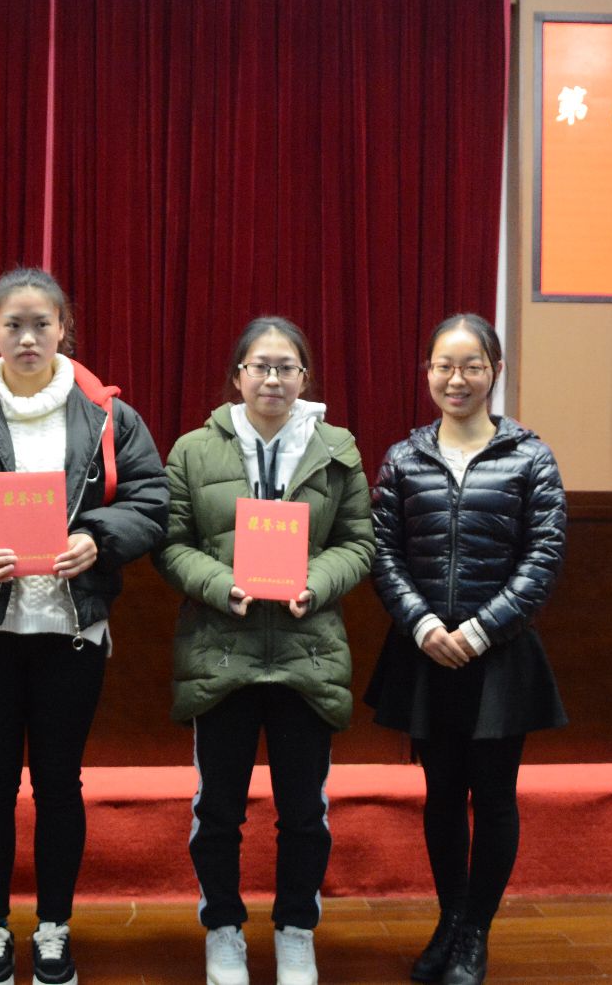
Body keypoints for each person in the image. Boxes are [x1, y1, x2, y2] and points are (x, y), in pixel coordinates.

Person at [0, 266, 168, 985]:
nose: (27, 337)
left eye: (41, 323)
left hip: (72, 630)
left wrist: (98, 538)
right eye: (13, 324)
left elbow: (150, 499)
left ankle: (52, 929)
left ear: (63, 329)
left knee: (59, 785)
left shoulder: (108, 416)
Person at [155, 316, 375, 985]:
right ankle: (223, 929)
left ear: (304, 377)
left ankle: (295, 931)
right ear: (238, 376)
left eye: (286, 367)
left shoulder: (337, 449)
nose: (273, 379)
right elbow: (169, 543)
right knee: (218, 809)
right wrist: (221, 585)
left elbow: (358, 542)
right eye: (260, 366)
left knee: (303, 812)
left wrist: (317, 582)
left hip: (308, 655)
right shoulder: (193, 451)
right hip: (221, 653)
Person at [364, 313, 567, 985]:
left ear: (495, 372)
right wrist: (422, 624)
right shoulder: (403, 458)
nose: (457, 379)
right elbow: (383, 552)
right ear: (427, 372)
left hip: (498, 653)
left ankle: (476, 932)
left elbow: (543, 556)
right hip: (426, 650)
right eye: (444, 366)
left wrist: (481, 629)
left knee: (495, 796)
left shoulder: (530, 457)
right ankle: (450, 919)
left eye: (472, 366)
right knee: (442, 794)